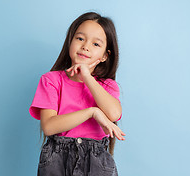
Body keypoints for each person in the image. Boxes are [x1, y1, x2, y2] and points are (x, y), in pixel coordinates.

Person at [29, 12, 126, 176]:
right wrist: (92, 112)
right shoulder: (51, 80)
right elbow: (49, 126)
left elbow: (114, 113)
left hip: (96, 162)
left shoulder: (107, 86)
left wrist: (87, 77)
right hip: (57, 160)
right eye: (80, 38)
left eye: (96, 44)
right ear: (70, 42)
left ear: (104, 56)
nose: (85, 46)